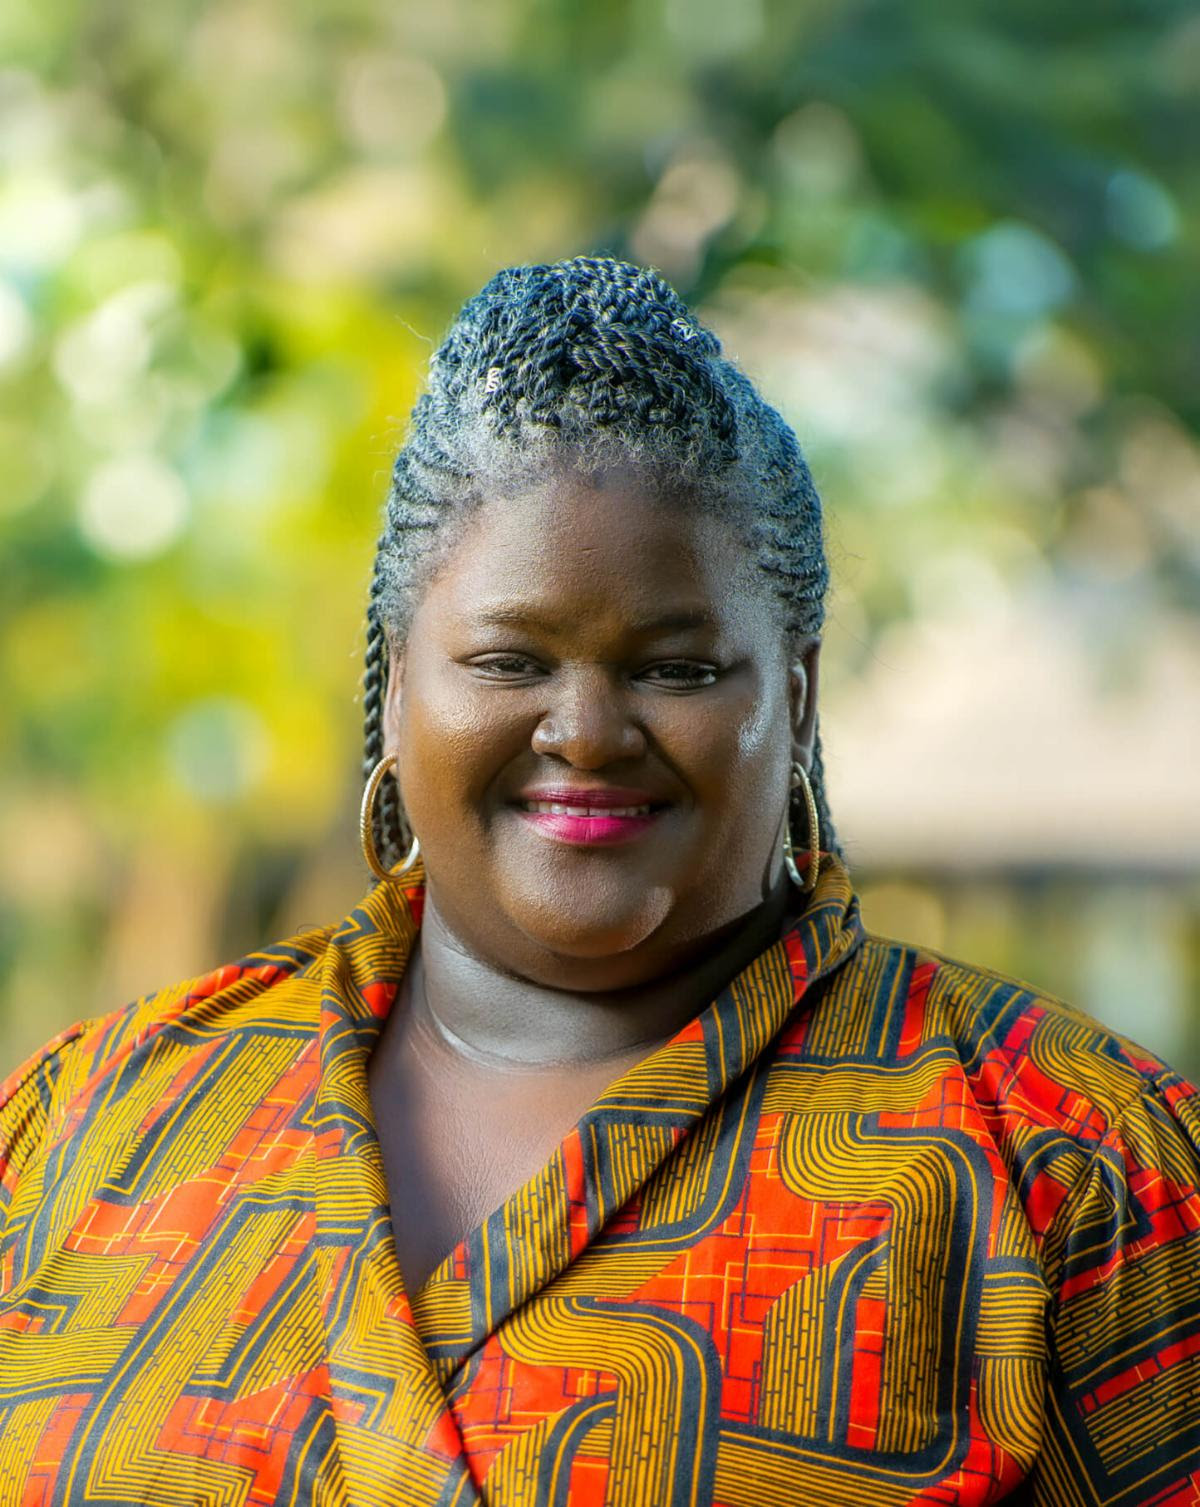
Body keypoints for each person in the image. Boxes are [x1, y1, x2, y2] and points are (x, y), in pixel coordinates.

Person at [1, 257, 1197, 1507]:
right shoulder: (92, 1119)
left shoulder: (1073, 1165)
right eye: (508, 661)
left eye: (676, 670)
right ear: (398, 688)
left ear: (795, 698)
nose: (585, 731)